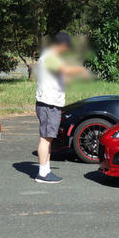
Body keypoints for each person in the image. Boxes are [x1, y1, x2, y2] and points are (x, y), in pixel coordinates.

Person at [35, 32, 87, 184]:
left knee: (48, 138)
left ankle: (46, 170)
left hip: (51, 102)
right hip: (48, 104)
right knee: (45, 138)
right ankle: (42, 174)